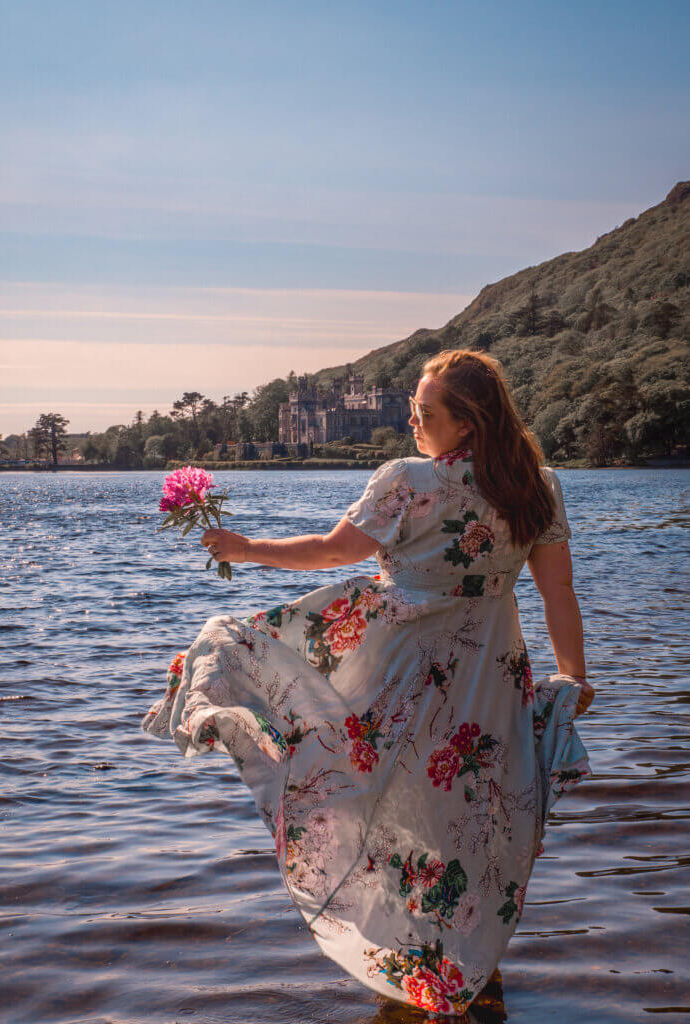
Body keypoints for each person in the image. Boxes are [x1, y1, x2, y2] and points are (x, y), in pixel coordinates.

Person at [143, 349, 593, 1015]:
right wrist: (572, 676)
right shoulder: (536, 483)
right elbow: (557, 589)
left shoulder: (409, 479)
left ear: (466, 423)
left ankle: (426, 971)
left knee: (381, 806)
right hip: (490, 683)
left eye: (426, 411)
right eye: (413, 408)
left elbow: (331, 552)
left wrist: (246, 549)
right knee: (471, 823)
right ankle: (464, 974)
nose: (413, 420)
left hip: (403, 674)